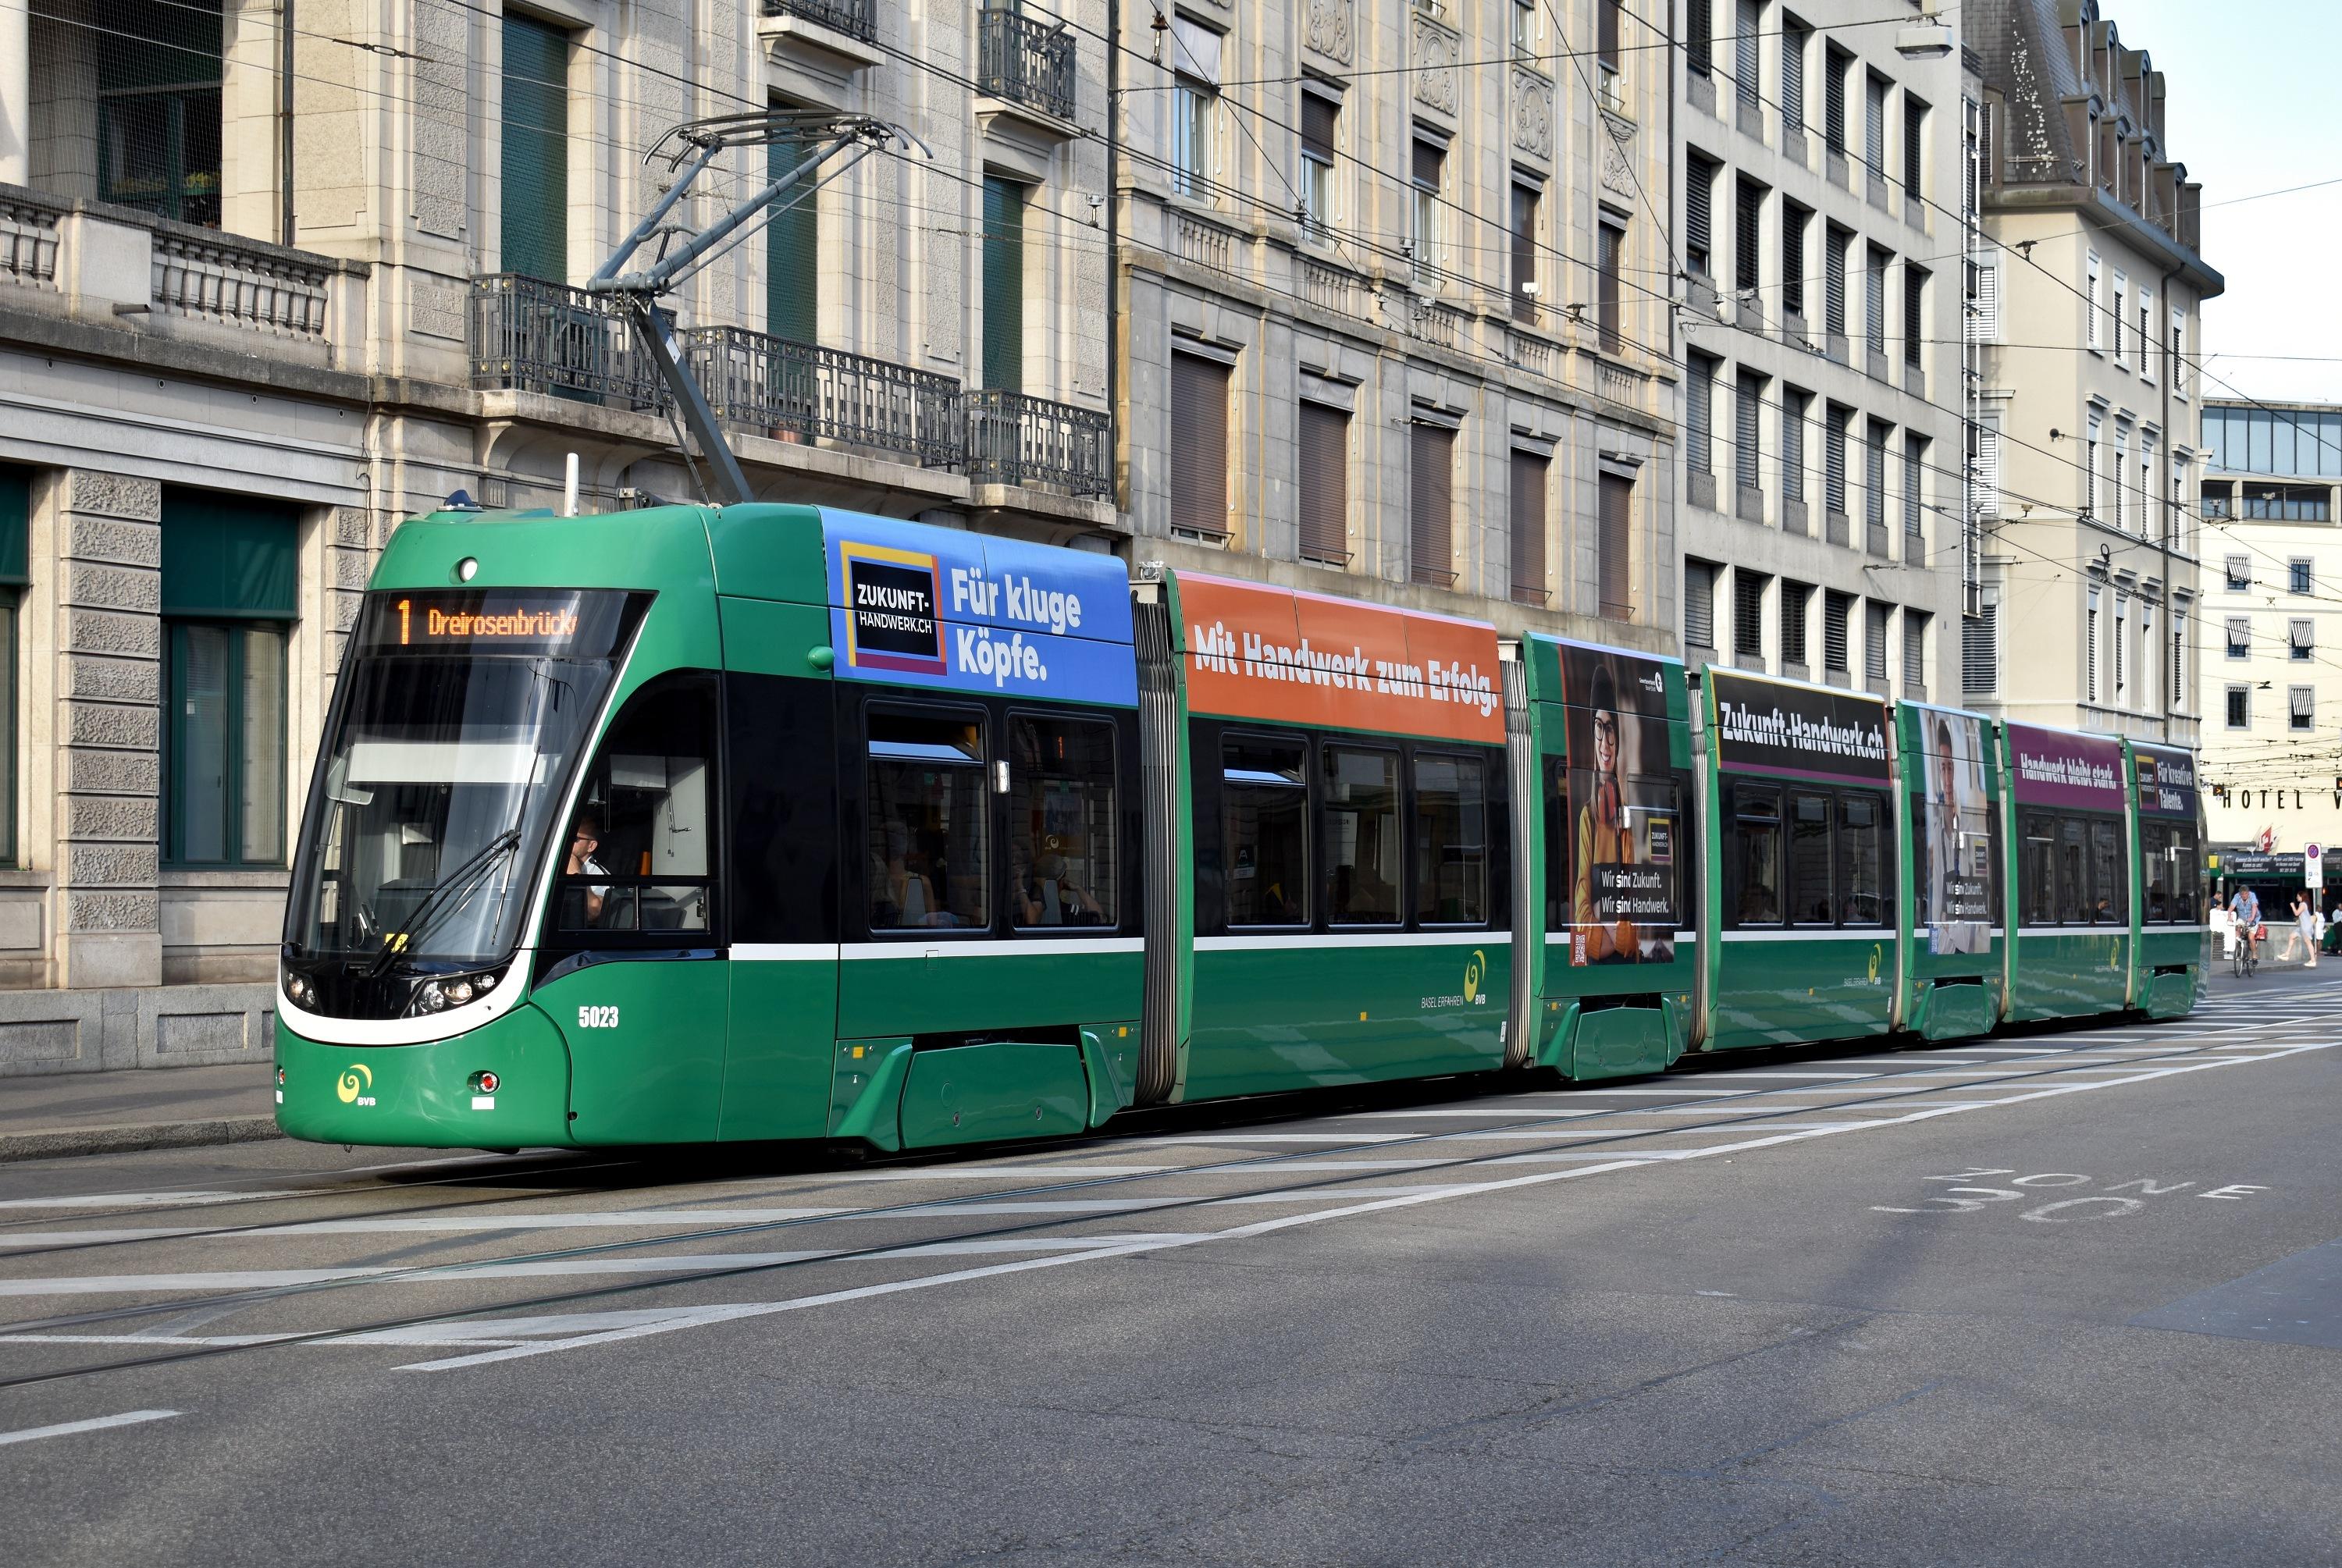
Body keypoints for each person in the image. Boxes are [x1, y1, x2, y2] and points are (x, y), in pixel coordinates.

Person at [1571, 664, 1638, 963]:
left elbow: (1639, 898)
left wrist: (1616, 933)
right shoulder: (1588, 816)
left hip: (1624, 959)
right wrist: (1613, 935)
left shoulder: (1629, 817)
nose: (1605, 744)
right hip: (1600, 957)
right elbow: (1581, 903)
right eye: (1599, 728)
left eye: (1610, 730)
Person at [565, 810, 610, 927]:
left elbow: (594, 911)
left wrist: (577, 875)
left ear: (591, 846)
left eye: (575, 838)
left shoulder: (600, 875)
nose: (568, 841)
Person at [2228, 884, 2262, 972]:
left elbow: (2254, 907)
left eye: (2245, 894)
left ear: (2248, 893)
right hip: (2242, 918)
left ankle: (2254, 956)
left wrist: (2252, 917)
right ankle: (2239, 947)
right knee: (2237, 928)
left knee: (2251, 938)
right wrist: (2229, 916)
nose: (2244, 896)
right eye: (2242, 894)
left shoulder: (2252, 896)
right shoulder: (2237, 896)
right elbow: (2231, 907)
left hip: (2253, 918)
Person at [2299, 891, 2319, 969]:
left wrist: (2293, 906)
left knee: (2309, 943)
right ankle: (2313, 959)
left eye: (2298, 896)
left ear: (2301, 897)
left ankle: (2313, 960)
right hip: (2308, 926)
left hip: (2305, 927)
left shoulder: (2302, 904)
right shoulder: (2306, 904)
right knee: (2309, 943)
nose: (2297, 897)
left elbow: (2297, 913)